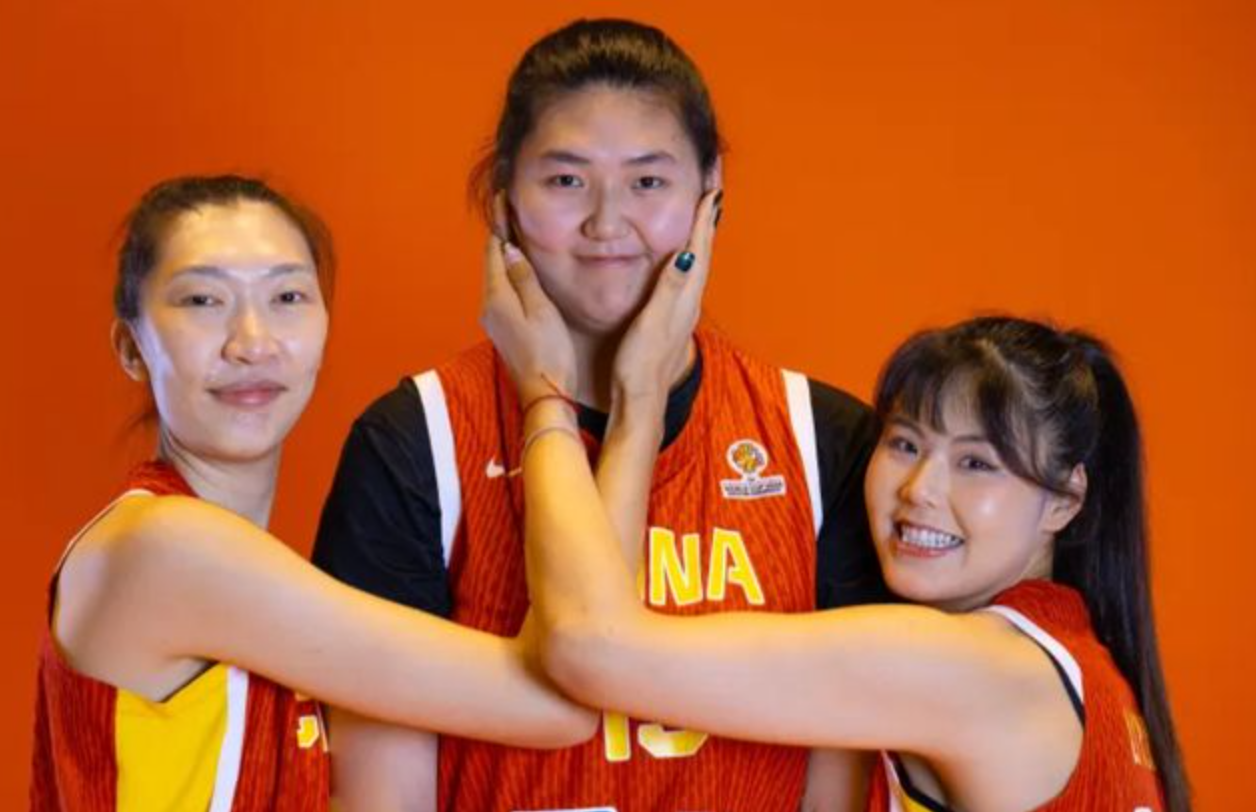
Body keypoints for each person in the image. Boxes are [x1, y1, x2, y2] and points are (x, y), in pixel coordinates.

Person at [313, 17, 886, 812]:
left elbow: (842, 772)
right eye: (565, 181)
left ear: (710, 191)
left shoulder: (821, 441)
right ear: (505, 197)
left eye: (648, 183)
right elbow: (383, 793)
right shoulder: (415, 442)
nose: (607, 225)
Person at [483, 232, 1190, 811]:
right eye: (905, 444)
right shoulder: (1083, 671)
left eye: (977, 464)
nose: (919, 490)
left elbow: (590, 649)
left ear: (1066, 500)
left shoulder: (970, 668)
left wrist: (559, 393)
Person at [29, 175, 596, 812]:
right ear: (132, 347)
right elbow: (567, 697)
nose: (253, 342)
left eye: (288, 296)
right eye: (202, 300)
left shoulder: (217, 561)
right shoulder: (165, 549)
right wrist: (618, 403)